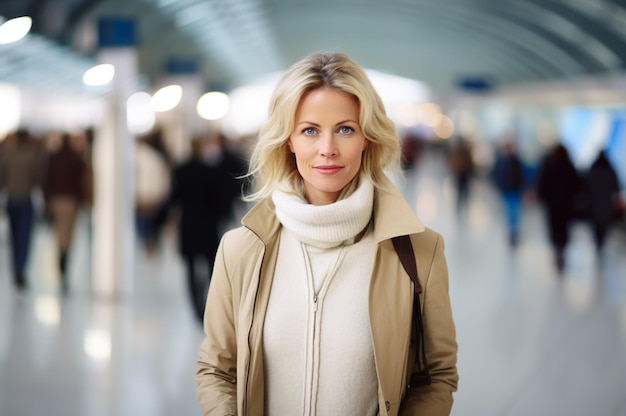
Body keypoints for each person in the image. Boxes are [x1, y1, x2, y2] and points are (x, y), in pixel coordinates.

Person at [195, 52, 458, 415]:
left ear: (367, 137)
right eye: (310, 130)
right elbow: (217, 370)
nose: (328, 149)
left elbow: (436, 375)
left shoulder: (419, 252)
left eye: (345, 129)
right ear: (288, 140)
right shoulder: (241, 249)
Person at [166, 134, 246, 322]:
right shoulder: (211, 171)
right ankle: (211, 302)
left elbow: (174, 197)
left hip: (189, 225)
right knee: (211, 265)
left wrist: (161, 220)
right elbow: (220, 198)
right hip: (208, 225)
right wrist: (225, 215)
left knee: (191, 268)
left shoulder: (181, 170)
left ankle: (197, 307)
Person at [0, 128, 45, 290]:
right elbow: (37, 179)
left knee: (14, 238)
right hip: (24, 200)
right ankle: (20, 270)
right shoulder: (31, 155)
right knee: (23, 238)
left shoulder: (8, 154)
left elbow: (2, 179)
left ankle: (17, 270)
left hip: (13, 199)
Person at [43, 132, 87, 293]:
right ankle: (63, 264)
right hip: (70, 201)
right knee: (67, 236)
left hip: (56, 200)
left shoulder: (54, 158)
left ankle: (62, 264)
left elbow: (47, 180)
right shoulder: (76, 159)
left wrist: (48, 200)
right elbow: (81, 182)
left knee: (59, 235)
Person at [536, 143, 581, 274]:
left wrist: (543, 198)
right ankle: (561, 250)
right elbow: (577, 184)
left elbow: (542, 183)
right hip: (566, 205)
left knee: (555, 228)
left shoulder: (549, 165)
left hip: (553, 205)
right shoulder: (568, 166)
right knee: (563, 228)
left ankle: (557, 250)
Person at [583, 150, 621, 256]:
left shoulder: (592, 171)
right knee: (604, 227)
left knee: (596, 228)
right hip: (606, 205)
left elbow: (586, 188)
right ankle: (600, 245)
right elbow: (616, 188)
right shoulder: (610, 171)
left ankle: (598, 245)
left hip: (593, 205)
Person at [491, 139, 526, 247]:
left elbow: (520, 176)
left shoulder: (515, 161)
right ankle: (511, 231)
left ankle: (513, 232)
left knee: (513, 213)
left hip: (514, 190)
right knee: (508, 212)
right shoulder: (501, 160)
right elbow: (495, 174)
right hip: (505, 190)